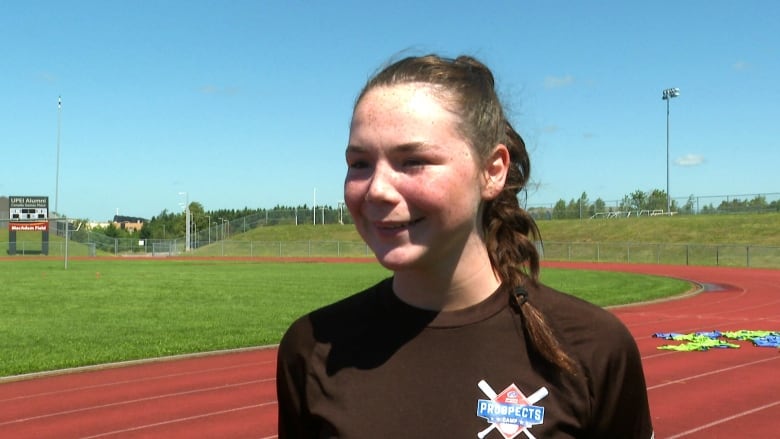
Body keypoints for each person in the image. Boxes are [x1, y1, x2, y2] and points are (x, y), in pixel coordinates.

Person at [276, 54, 654, 438]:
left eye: (413, 160)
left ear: (492, 171)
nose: (377, 189)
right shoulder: (311, 347)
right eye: (359, 163)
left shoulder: (592, 348)